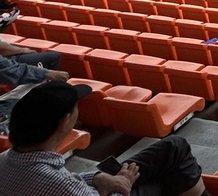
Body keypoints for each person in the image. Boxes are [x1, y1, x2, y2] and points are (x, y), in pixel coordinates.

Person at [0, 79, 206, 195]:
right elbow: (63, 186)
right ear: (65, 121)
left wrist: (97, 177)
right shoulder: (58, 184)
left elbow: (64, 181)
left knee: (171, 149)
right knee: (175, 159)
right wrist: (122, 182)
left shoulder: (8, 159)